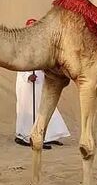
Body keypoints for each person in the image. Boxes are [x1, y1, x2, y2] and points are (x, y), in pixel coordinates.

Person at [15, 19, 71, 149]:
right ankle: (24, 136)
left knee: (45, 106)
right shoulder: (22, 44)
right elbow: (19, 62)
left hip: (41, 78)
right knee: (28, 108)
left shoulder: (42, 43)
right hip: (27, 83)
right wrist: (28, 76)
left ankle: (49, 136)